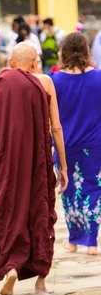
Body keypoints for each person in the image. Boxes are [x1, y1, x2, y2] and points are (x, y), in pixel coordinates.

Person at [0, 43, 68, 295]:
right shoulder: (45, 82)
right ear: (35, 61)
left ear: (11, 63)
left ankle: (11, 269)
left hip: (10, 165)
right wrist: (63, 165)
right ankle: (41, 283)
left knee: (10, 209)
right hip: (37, 164)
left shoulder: (1, 84)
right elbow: (57, 129)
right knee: (39, 213)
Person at [51, 33, 101, 255]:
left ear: (64, 51)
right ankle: (91, 242)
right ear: (87, 50)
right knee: (93, 189)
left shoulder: (55, 80)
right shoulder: (99, 78)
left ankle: (73, 240)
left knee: (69, 189)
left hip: (65, 144)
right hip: (95, 144)